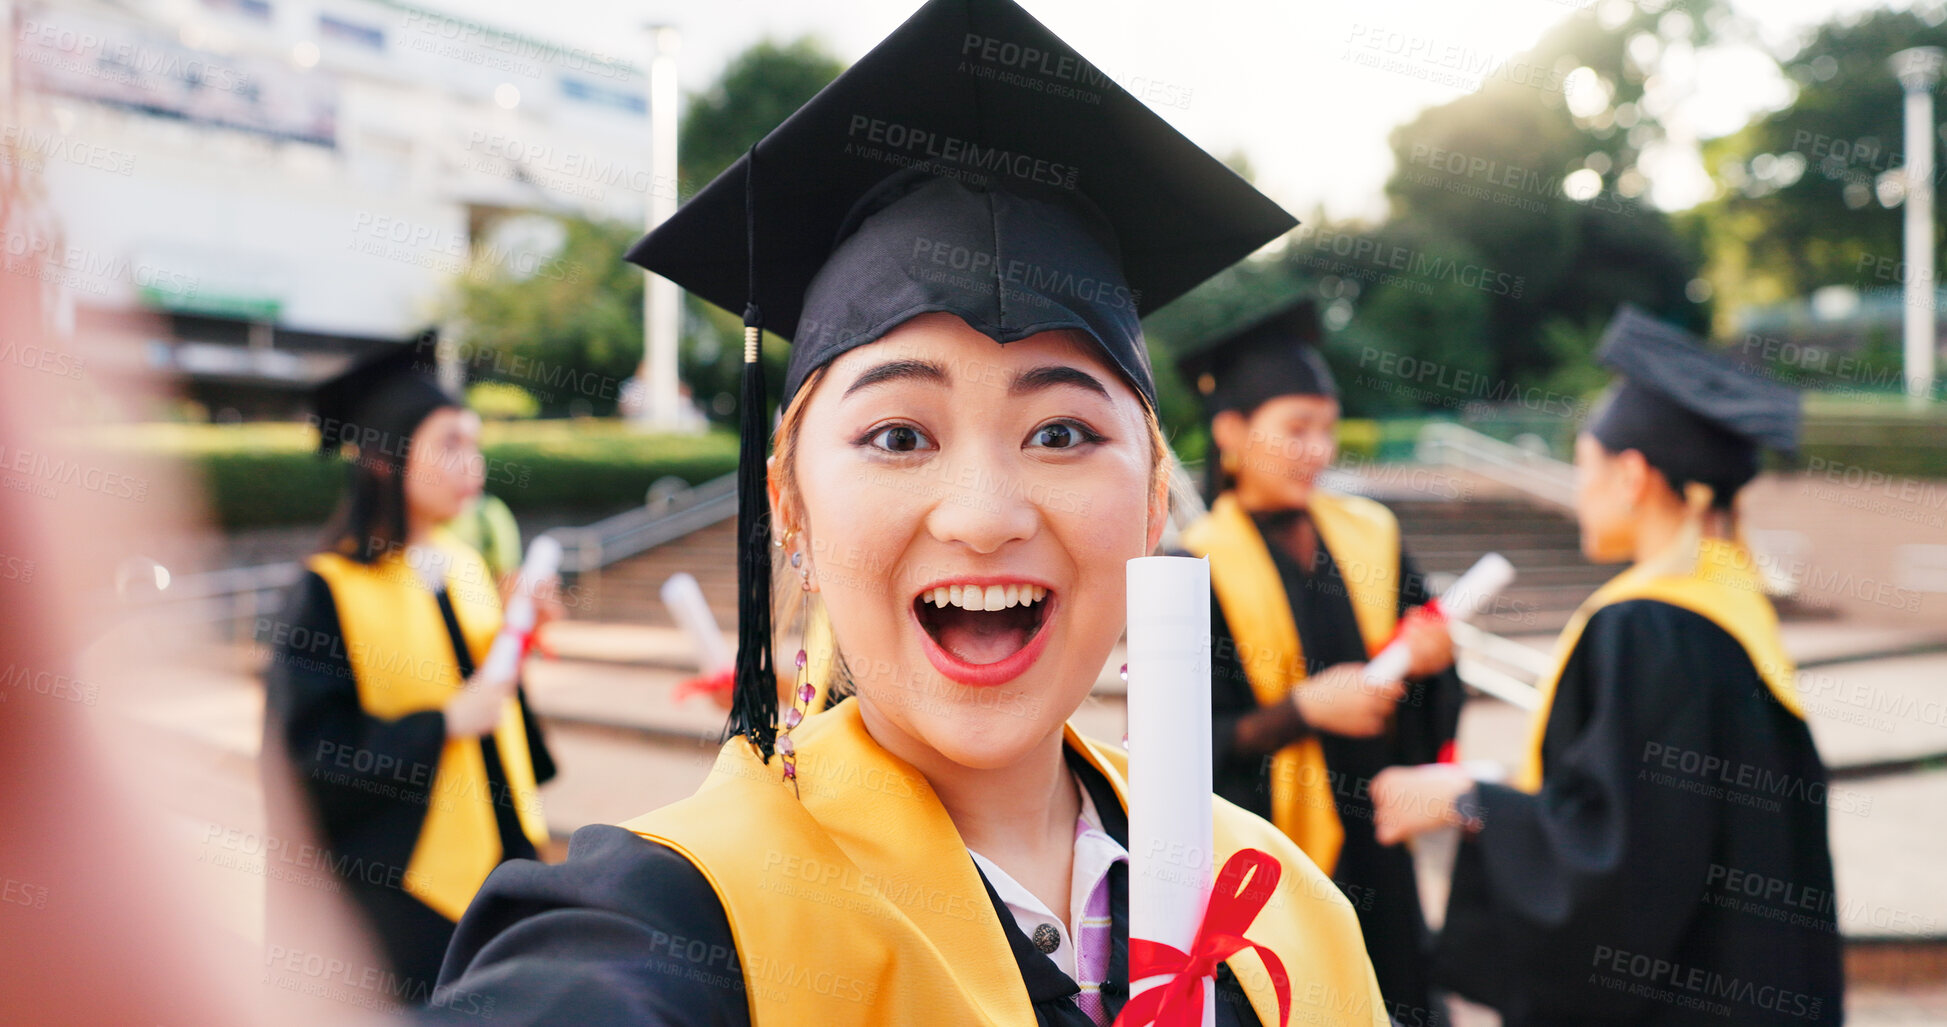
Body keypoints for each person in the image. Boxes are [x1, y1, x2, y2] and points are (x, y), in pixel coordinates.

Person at [427, 1, 1389, 1023]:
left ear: (1156, 500)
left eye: (1062, 432)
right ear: (786, 502)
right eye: (899, 435)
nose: (984, 516)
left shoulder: (1286, 911)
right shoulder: (690, 916)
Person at [1370, 306, 1843, 1026]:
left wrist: (1469, 799)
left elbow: (1620, 864)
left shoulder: (1645, 627)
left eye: (1583, 465)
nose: (1576, 487)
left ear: (1631, 474)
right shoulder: (1729, 604)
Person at [1173, 296, 1464, 1026]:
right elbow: (1174, 750)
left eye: (1327, 430)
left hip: (1377, 840)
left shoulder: (1373, 534)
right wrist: (1300, 711)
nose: (1317, 450)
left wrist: (1429, 661)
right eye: (1295, 429)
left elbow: (1429, 694)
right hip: (1267, 856)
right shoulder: (1189, 566)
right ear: (1233, 433)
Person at [260, 335, 557, 995]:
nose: (472, 463)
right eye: (450, 444)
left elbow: (486, 689)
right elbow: (306, 756)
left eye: (475, 443)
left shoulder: (466, 564)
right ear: (385, 461)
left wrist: (521, 630)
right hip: (398, 887)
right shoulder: (327, 589)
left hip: (502, 859)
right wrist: (444, 720)